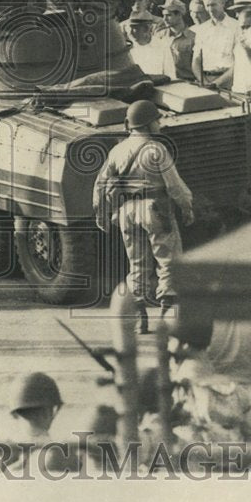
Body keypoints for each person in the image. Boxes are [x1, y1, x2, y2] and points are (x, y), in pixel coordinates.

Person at [93, 100, 194, 332]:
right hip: (156, 209)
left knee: (136, 265)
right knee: (169, 262)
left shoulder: (117, 150)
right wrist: (187, 207)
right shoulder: (157, 150)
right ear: (148, 124)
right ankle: (168, 317)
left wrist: (101, 214)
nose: (159, 123)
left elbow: (100, 185)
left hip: (127, 212)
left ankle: (140, 318)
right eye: (156, 120)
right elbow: (174, 186)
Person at [192, 0, 239, 88]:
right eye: (207, 5)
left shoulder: (236, 27)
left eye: (213, 5)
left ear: (223, 3)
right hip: (204, 82)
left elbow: (238, 62)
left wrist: (216, 83)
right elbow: (196, 60)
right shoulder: (202, 29)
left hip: (229, 82)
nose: (210, 9)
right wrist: (203, 81)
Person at [156, 0, 195, 81]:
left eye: (168, 15)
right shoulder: (159, 36)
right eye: (163, 15)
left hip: (187, 84)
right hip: (163, 83)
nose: (164, 19)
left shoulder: (193, 38)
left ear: (179, 15)